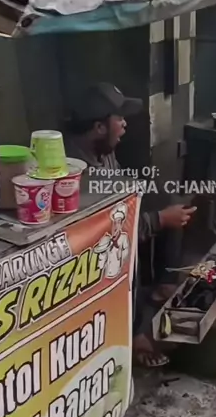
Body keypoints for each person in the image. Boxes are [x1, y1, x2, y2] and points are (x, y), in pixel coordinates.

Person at [65, 82, 196, 367]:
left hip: (118, 219)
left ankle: (164, 284)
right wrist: (159, 219)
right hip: (92, 249)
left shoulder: (102, 148)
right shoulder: (75, 171)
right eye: (120, 119)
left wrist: (160, 209)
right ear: (99, 127)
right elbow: (107, 231)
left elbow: (126, 195)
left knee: (170, 200)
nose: (125, 124)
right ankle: (135, 333)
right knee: (127, 249)